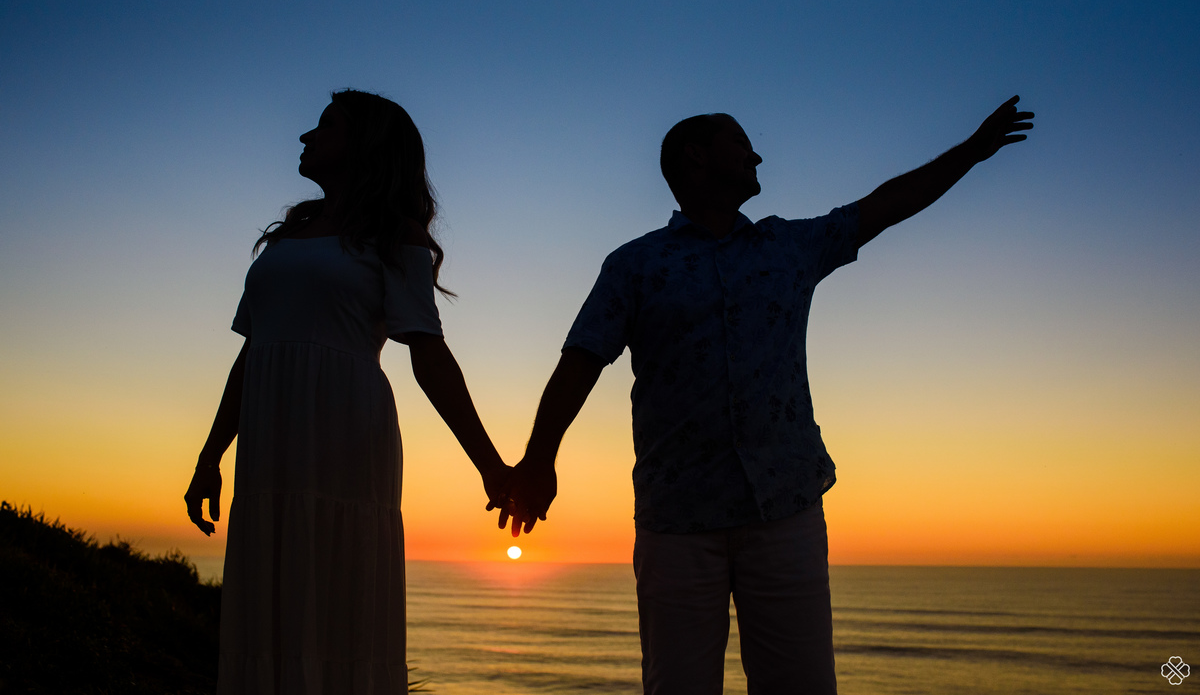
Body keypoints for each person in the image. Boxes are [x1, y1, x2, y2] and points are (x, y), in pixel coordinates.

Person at [497, 97, 1034, 694]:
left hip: (786, 513)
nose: (756, 154)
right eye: (740, 143)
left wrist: (973, 151)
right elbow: (581, 360)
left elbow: (885, 207)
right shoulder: (636, 265)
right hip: (678, 522)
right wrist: (539, 459)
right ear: (697, 157)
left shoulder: (788, 247)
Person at [184, 89, 510, 694]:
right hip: (270, 430)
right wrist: (209, 457)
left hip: (344, 426)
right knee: (271, 591)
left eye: (323, 127)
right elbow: (253, 350)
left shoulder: (395, 234)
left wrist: (492, 467)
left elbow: (428, 353)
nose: (305, 137)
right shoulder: (294, 231)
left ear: (363, 147)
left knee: (337, 584)